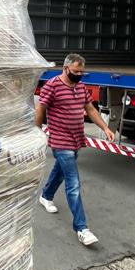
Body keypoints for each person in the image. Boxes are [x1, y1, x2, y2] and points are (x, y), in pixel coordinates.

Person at [34, 53, 114, 246]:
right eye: (76, 71)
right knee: (73, 182)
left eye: (81, 72)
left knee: (60, 172)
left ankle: (46, 196)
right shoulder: (52, 85)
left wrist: (105, 127)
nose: (79, 75)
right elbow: (40, 109)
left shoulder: (80, 86)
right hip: (60, 141)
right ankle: (82, 228)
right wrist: (36, 133)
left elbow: (91, 109)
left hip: (76, 139)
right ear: (66, 68)